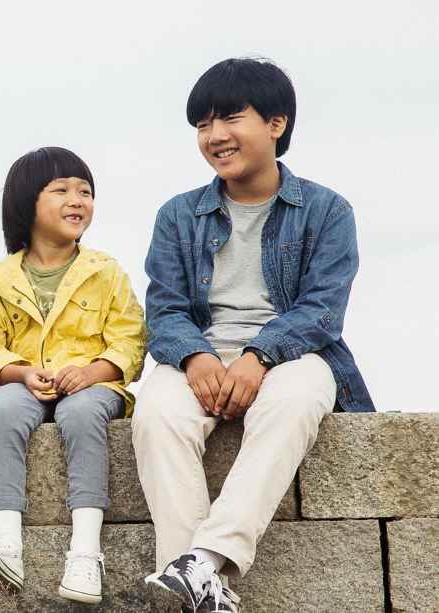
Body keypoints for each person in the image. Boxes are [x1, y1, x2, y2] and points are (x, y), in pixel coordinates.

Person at [134, 57, 376, 613]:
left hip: (294, 354)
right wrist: (194, 357)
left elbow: (322, 310)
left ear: (276, 124)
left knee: (293, 402)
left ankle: (202, 560)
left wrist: (259, 354)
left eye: (230, 118)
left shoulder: (327, 210)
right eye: (203, 125)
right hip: (199, 352)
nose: (214, 135)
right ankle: (204, 587)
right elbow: (165, 309)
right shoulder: (177, 215)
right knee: (156, 415)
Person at [0, 147, 146, 604]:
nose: (77, 200)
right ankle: (6, 542)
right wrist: (19, 372)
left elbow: (131, 340)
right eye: (61, 190)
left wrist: (93, 372)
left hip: (94, 386)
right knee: (3, 407)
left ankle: (85, 553)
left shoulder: (105, 271)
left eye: (85, 192)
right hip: (29, 385)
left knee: (81, 413)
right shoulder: (1, 277)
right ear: (27, 203)